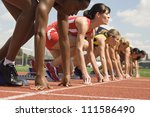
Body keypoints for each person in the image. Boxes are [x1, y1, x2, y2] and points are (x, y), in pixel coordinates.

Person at [0, 0, 91, 88]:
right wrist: (40, 75)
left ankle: (4, 65)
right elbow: (40, 33)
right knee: (32, 9)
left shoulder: (63, 7)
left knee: (29, 29)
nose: (75, 13)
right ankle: (7, 65)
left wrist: (66, 74)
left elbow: (64, 38)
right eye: (76, 8)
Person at [45, 3, 111, 84]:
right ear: (98, 14)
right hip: (50, 34)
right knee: (84, 44)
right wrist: (85, 73)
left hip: (58, 40)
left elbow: (91, 53)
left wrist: (99, 74)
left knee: (70, 70)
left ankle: (49, 67)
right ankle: (51, 65)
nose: (109, 16)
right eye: (107, 14)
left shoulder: (92, 31)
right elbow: (79, 48)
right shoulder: (83, 23)